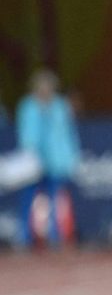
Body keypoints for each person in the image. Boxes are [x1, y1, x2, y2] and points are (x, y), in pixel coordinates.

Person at [15, 69, 81, 249]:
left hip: (55, 161)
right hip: (33, 162)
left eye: (49, 87)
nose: (45, 90)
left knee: (55, 198)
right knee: (28, 198)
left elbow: (68, 134)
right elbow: (25, 133)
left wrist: (72, 158)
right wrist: (31, 154)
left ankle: (55, 235)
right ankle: (23, 236)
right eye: (42, 86)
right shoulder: (28, 106)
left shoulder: (60, 106)